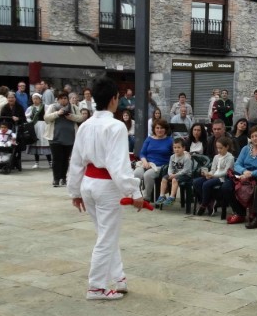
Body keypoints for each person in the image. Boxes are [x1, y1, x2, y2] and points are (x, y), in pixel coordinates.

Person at [66, 75, 145, 300]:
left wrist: (75, 191)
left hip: (88, 184)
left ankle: (119, 278)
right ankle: (96, 287)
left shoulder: (85, 125)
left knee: (106, 234)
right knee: (106, 237)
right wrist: (135, 191)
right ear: (114, 99)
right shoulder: (116, 126)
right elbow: (119, 166)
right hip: (106, 186)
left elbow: (76, 161)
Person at [223, 125, 257, 224]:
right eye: (252, 136)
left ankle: (252, 213)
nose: (254, 138)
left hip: (255, 177)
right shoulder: (245, 149)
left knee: (252, 188)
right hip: (241, 174)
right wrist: (244, 171)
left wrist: (251, 174)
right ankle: (240, 213)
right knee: (226, 187)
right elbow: (237, 164)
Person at [45, 92, 84, 187]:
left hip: (69, 137)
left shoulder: (73, 107)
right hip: (55, 137)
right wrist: (57, 113)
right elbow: (46, 118)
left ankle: (63, 177)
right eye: (61, 98)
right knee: (56, 158)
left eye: (65, 98)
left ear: (68, 99)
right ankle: (56, 179)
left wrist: (71, 117)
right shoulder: (53, 107)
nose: (63, 100)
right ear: (58, 100)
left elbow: (81, 118)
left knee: (65, 159)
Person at [133, 119, 173, 202]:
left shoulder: (170, 140)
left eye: (162, 128)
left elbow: (176, 153)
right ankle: (137, 196)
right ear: (154, 129)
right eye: (157, 128)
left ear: (165, 129)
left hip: (161, 166)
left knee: (147, 175)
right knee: (136, 173)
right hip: (147, 164)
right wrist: (145, 162)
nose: (159, 130)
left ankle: (146, 198)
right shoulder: (149, 139)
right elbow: (142, 153)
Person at [193, 136, 234, 216]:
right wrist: (208, 174)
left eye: (221, 148)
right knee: (196, 182)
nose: (219, 150)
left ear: (227, 147)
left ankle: (204, 204)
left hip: (222, 178)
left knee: (206, 184)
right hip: (213, 176)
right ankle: (209, 201)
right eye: (217, 148)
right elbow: (213, 169)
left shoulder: (230, 158)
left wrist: (213, 175)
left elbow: (226, 172)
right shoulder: (216, 157)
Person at [156, 138, 194, 206]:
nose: (176, 149)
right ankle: (162, 196)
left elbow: (186, 170)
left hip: (186, 175)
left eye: (179, 147)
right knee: (164, 178)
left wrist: (175, 175)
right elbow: (170, 167)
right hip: (174, 174)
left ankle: (172, 197)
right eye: (175, 147)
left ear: (183, 148)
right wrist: (170, 174)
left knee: (174, 180)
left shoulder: (186, 158)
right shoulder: (172, 157)